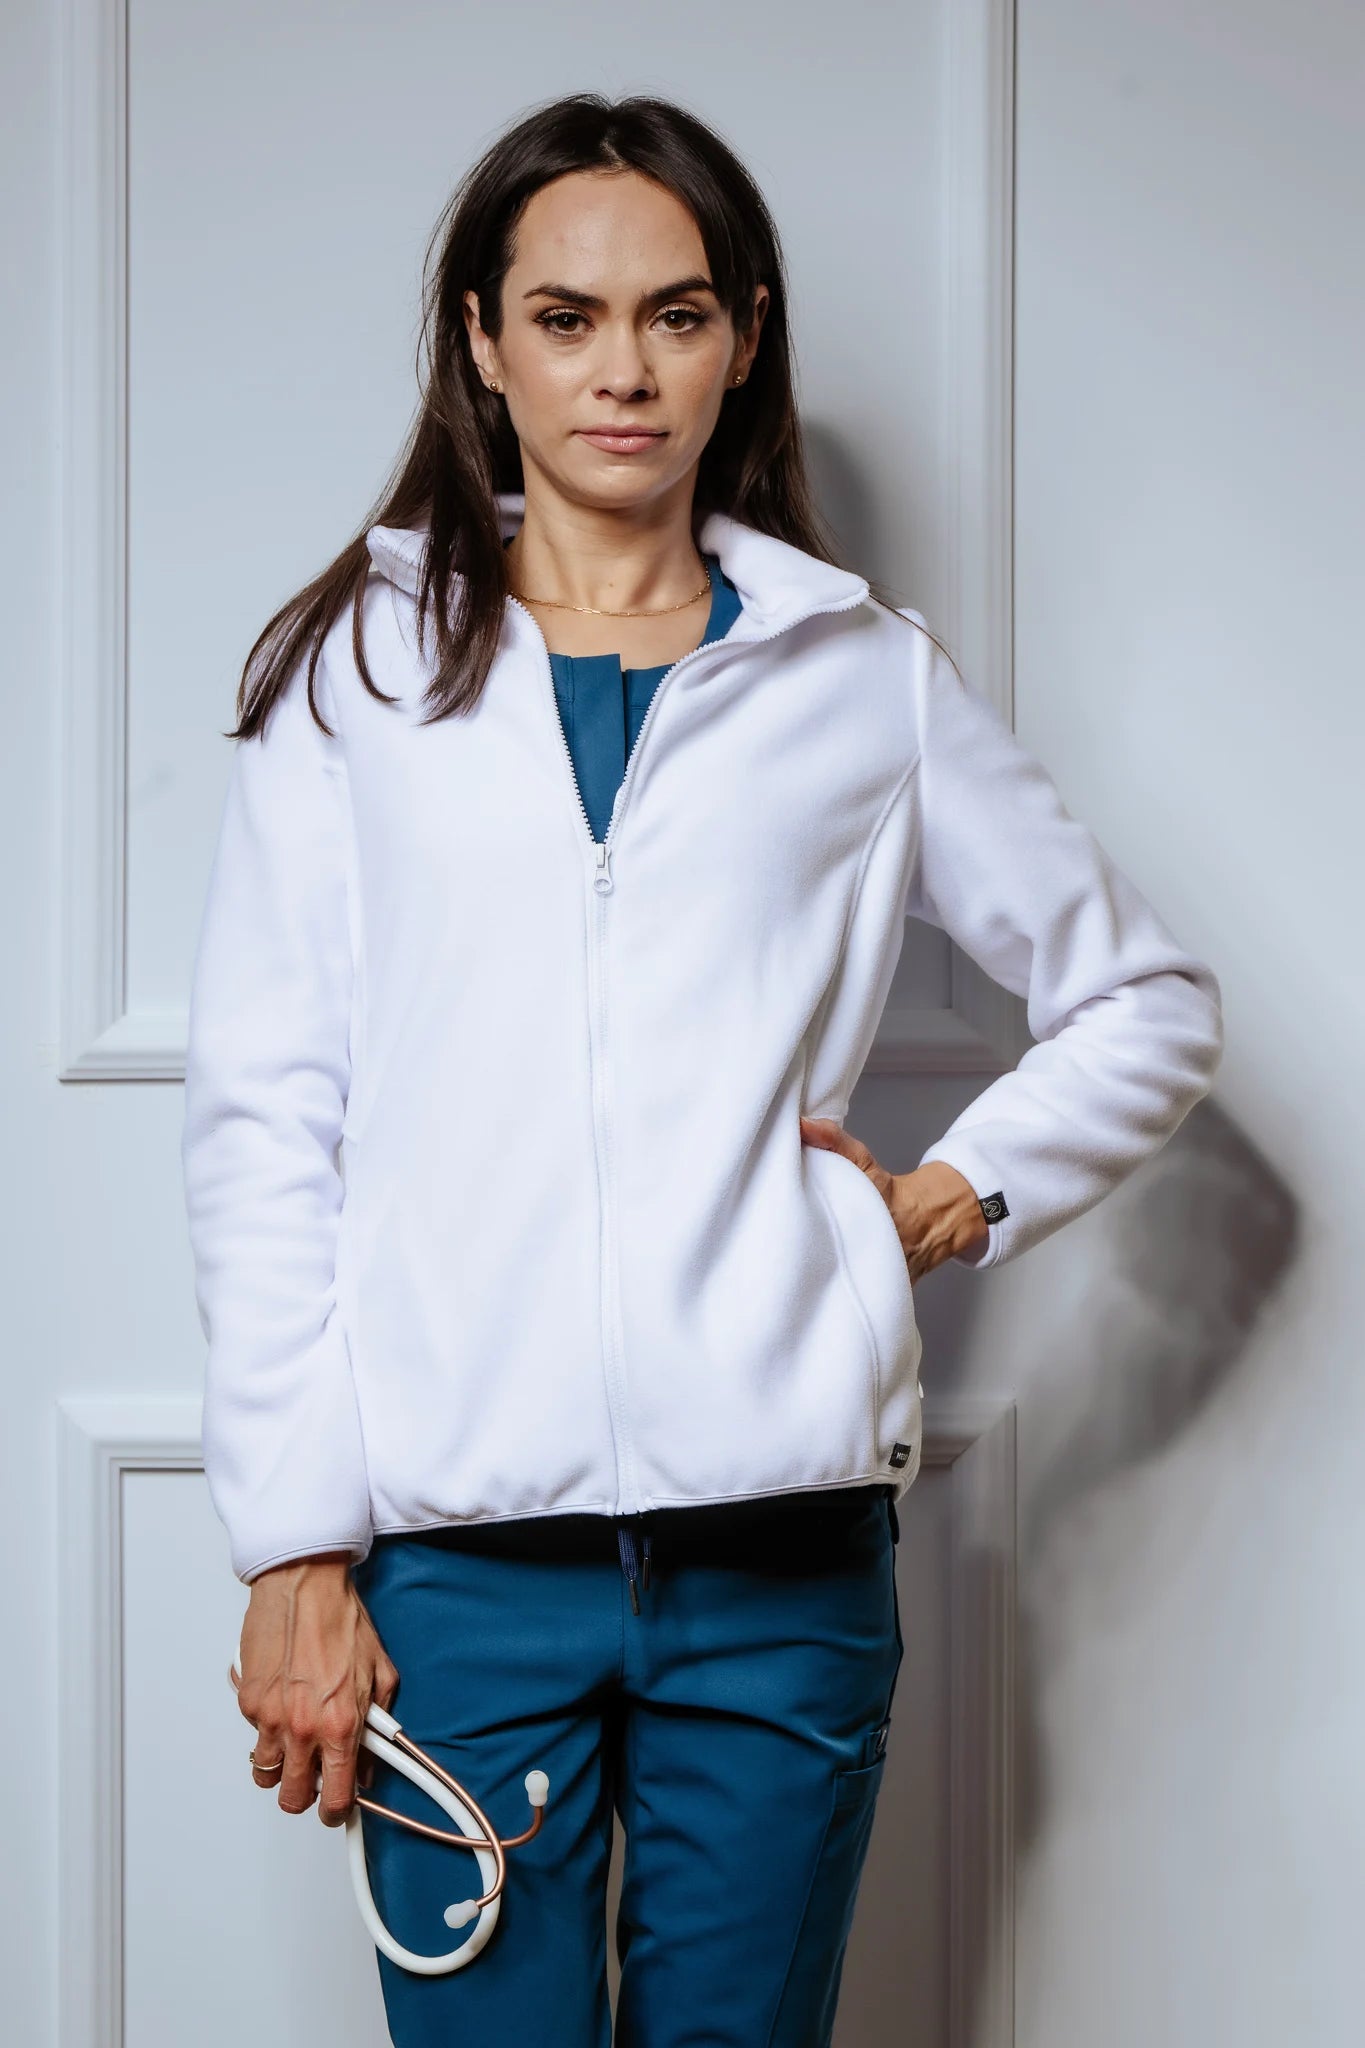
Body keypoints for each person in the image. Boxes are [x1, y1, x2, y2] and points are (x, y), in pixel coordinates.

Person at [180, 91, 1224, 2047]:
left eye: (672, 315)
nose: (622, 371)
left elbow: (1141, 995)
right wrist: (294, 1544)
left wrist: (945, 1197)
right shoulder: (361, 674)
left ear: (740, 337)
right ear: (482, 342)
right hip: (458, 1574)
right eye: (564, 318)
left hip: (782, 1558)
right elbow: (263, 1122)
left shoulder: (857, 676)